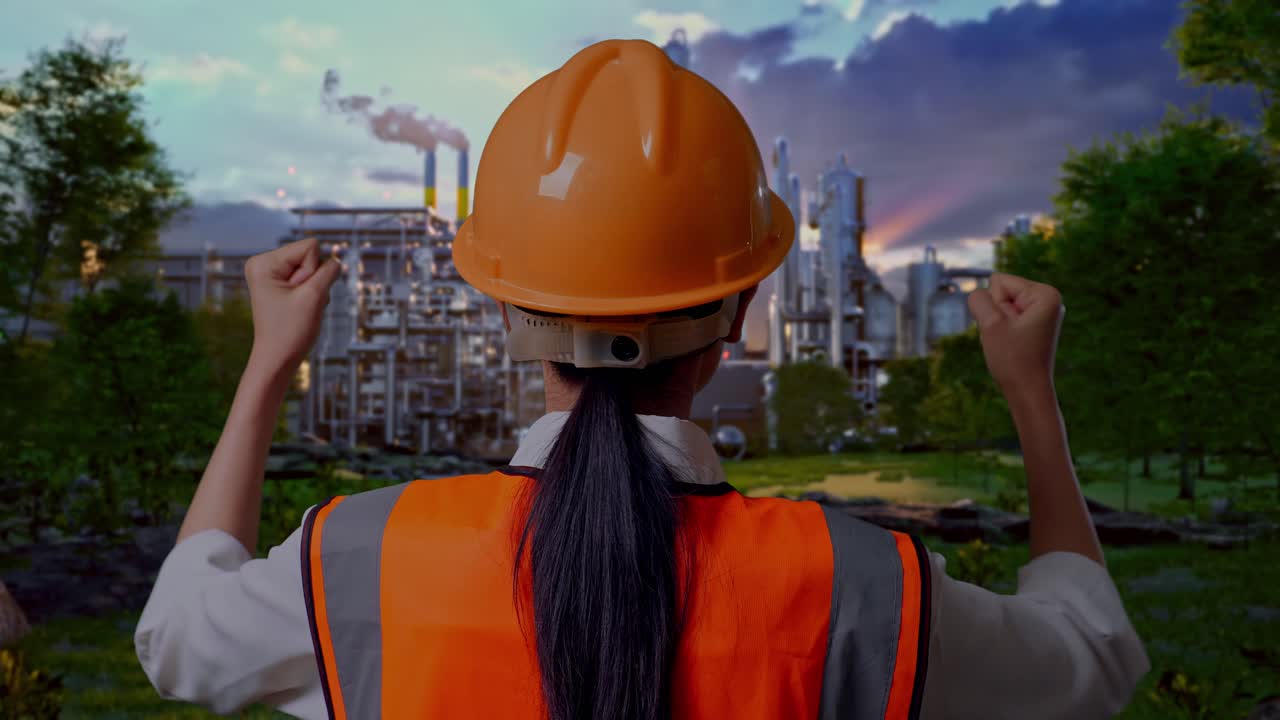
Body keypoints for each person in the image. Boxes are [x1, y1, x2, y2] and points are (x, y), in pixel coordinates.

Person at [136, 39, 1148, 719]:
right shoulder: (855, 583)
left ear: (504, 307)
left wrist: (271, 364)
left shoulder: (358, 553)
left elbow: (175, 633)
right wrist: (1029, 396)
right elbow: (1091, 659)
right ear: (740, 313)